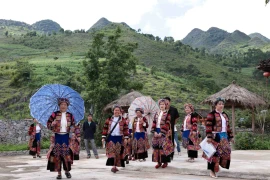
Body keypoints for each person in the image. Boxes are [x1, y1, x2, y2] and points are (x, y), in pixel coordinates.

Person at [47, 98, 81, 179]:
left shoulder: (70, 115)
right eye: (61, 104)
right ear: (59, 106)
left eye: (65, 105)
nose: (63, 106)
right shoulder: (54, 114)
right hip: (57, 137)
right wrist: (52, 124)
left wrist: (77, 135)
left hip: (66, 137)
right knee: (57, 155)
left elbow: (75, 126)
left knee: (67, 155)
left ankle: (67, 171)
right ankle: (59, 173)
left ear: (67, 106)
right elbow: (48, 125)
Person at [203, 97, 234, 178]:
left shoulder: (224, 115)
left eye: (222, 104)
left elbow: (228, 126)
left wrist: (230, 136)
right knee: (214, 154)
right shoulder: (211, 114)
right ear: (215, 105)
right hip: (215, 136)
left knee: (225, 152)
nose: (221, 105)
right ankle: (212, 171)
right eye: (219, 104)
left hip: (224, 136)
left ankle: (217, 166)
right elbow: (208, 125)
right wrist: (209, 136)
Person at [102, 105, 129, 173]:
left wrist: (126, 137)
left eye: (118, 110)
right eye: (115, 110)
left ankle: (115, 165)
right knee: (112, 152)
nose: (116, 111)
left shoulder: (123, 120)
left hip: (119, 138)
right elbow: (105, 128)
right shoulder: (109, 119)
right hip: (111, 137)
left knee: (118, 153)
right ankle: (113, 166)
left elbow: (126, 129)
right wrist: (103, 137)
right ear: (113, 111)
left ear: (120, 112)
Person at [151, 99, 173, 169]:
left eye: (163, 104)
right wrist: (154, 131)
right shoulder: (157, 113)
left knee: (163, 147)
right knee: (156, 147)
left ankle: (165, 162)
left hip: (163, 132)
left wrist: (162, 132)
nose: (162, 106)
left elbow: (167, 124)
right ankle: (158, 162)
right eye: (160, 104)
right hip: (156, 131)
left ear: (166, 105)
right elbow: (154, 122)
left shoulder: (168, 114)